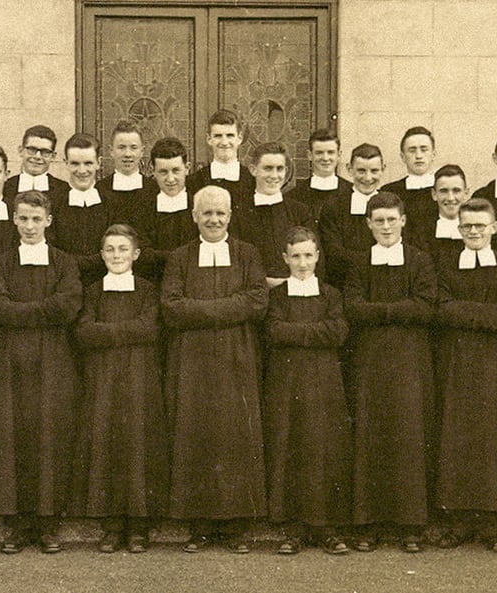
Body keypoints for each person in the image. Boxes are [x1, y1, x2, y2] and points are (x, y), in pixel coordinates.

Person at [161, 185, 268, 554]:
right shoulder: (180, 257)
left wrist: (201, 309)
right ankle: (200, 526)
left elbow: (257, 301)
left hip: (237, 357)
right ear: (194, 216)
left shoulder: (247, 253)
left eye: (220, 213)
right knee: (196, 434)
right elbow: (171, 307)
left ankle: (236, 526)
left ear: (230, 216)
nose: (214, 219)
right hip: (192, 360)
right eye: (206, 213)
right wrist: (228, 308)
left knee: (236, 435)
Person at [0, 190, 82, 554]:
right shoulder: (1, 261)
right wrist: (42, 311)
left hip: (53, 359)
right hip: (10, 359)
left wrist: (21, 312)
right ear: (14, 220)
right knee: (11, 436)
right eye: (23, 218)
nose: (29, 226)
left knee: (49, 436)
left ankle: (48, 523)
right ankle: (16, 525)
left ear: (48, 221)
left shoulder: (64, 262)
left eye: (36, 219)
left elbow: (68, 306)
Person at [344, 193, 436, 554]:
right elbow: (353, 307)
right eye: (378, 221)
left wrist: (378, 311)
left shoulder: (420, 260)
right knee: (370, 437)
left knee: (408, 436)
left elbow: (425, 307)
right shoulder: (358, 262)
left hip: (410, 360)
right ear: (368, 224)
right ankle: (368, 523)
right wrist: (398, 311)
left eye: (391, 220)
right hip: (369, 361)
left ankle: (410, 525)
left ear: (403, 221)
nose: (385, 227)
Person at [70, 224, 167, 554]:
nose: (116, 255)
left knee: (138, 445)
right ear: (101, 255)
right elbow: (84, 332)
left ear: (136, 254)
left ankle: (139, 527)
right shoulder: (93, 291)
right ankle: (111, 526)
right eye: (110, 249)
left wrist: (107, 332)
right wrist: (127, 332)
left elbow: (149, 328)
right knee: (106, 445)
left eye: (123, 249)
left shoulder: (148, 290)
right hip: (103, 378)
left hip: (140, 377)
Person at [434, 198, 497, 552]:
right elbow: (441, 309)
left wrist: (465, 313)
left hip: (495, 365)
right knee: (457, 437)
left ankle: (492, 522)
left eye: (480, 226)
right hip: (456, 362)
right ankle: (458, 520)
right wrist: (485, 314)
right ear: (459, 229)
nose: (473, 232)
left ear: (493, 228)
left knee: (493, 437)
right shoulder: (447, 266)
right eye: (467, 226)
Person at [264, 226, 352, 555]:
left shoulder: (331, 295)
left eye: (308, 256)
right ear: (285, 259)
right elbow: (274, 331)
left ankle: (326, 527)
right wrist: (316, 333)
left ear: (317, 257)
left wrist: (296, 333)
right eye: (296, 256)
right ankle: (294, 528)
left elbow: (338, 332)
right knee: (291, 448)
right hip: (286, 383)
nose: (302, 263)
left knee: (323, 449)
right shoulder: (277, 296)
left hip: (324, 383)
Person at [233, 141, 314, 288]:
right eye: (268, 168)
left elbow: (313, 257)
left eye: (279, 169)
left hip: (296, 290)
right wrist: (265, 282)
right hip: (253, 291)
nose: (274, 175)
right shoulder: (239, 212)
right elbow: (236, 260)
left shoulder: (300, 212)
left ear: (286, 171)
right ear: (253, 170)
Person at [131, 137, 199, 283]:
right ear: (153, 172)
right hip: (153, 282)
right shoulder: (142, 209)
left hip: (193, 281)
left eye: (176, 171)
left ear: (187, 168)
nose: (170, 179)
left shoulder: (199, 206)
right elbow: (142, 254)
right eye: (163, 172)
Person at [318, 143, 385, 288]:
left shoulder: (391, 204)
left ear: (383, 170)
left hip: (383, 279)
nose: (368, 178)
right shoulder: (334, 205)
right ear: (349, 169)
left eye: (374, 171)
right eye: (361, 171)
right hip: (343, 282)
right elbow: (332, 251)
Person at [50, 133, 111, 284]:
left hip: (104, 280)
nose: (82, 170)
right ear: (66, 163)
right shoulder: (54, 202)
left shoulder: (111, 202)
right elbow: (51, 248)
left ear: (98, 163)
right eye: (75, 164)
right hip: (64, 280)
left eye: (88, 163)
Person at [186, 109, 255, 207]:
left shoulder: (253, 181)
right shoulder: (194, 182)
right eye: (218, 136)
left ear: (239, 138)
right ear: (209, 139)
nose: (224, 142)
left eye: (230, 135)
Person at [98, 120, 158, 233]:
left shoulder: (154, 190)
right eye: (121, 147)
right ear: (111, 151)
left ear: (142, 151)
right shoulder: (99, 190)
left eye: (133, 147)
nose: (127, 154)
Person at [284, 128, 353, 222]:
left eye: (330, 152)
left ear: (339, 155)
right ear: (309, 155)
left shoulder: (352, 193)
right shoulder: (293, 196)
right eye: (319, 153)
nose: (325, 158)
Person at [408, 164, 469, 267]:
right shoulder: (420, 233)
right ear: (434, 194)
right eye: (444, 191)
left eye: (456, 191)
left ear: (466, 193)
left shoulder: (476, 230)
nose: (450, 198)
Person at [381, 126, 437, 232]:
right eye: (412, 150)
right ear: (403, 157)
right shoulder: (390, 191)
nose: (418, 156)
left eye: (424, 150)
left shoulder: (444, 190)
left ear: (433, 154)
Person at [3, 124, 70, 202]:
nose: (37, 156)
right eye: (32, 149)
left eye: (45, 151)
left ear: (53, 156)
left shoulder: (64, 191)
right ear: (21, 151)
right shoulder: (5, 188)